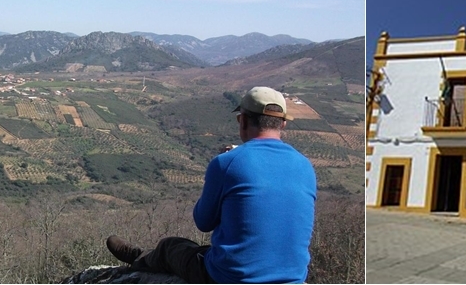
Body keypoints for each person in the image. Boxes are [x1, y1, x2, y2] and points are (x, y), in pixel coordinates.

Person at [105, 86, 317, 284]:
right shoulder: (305, 166)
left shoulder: (228, 163)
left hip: (231, 276)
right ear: (283, 124)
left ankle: (139, 258)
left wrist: (223, 170)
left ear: (242, 121)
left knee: (172, 246)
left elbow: (203, 221)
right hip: (293, 276)